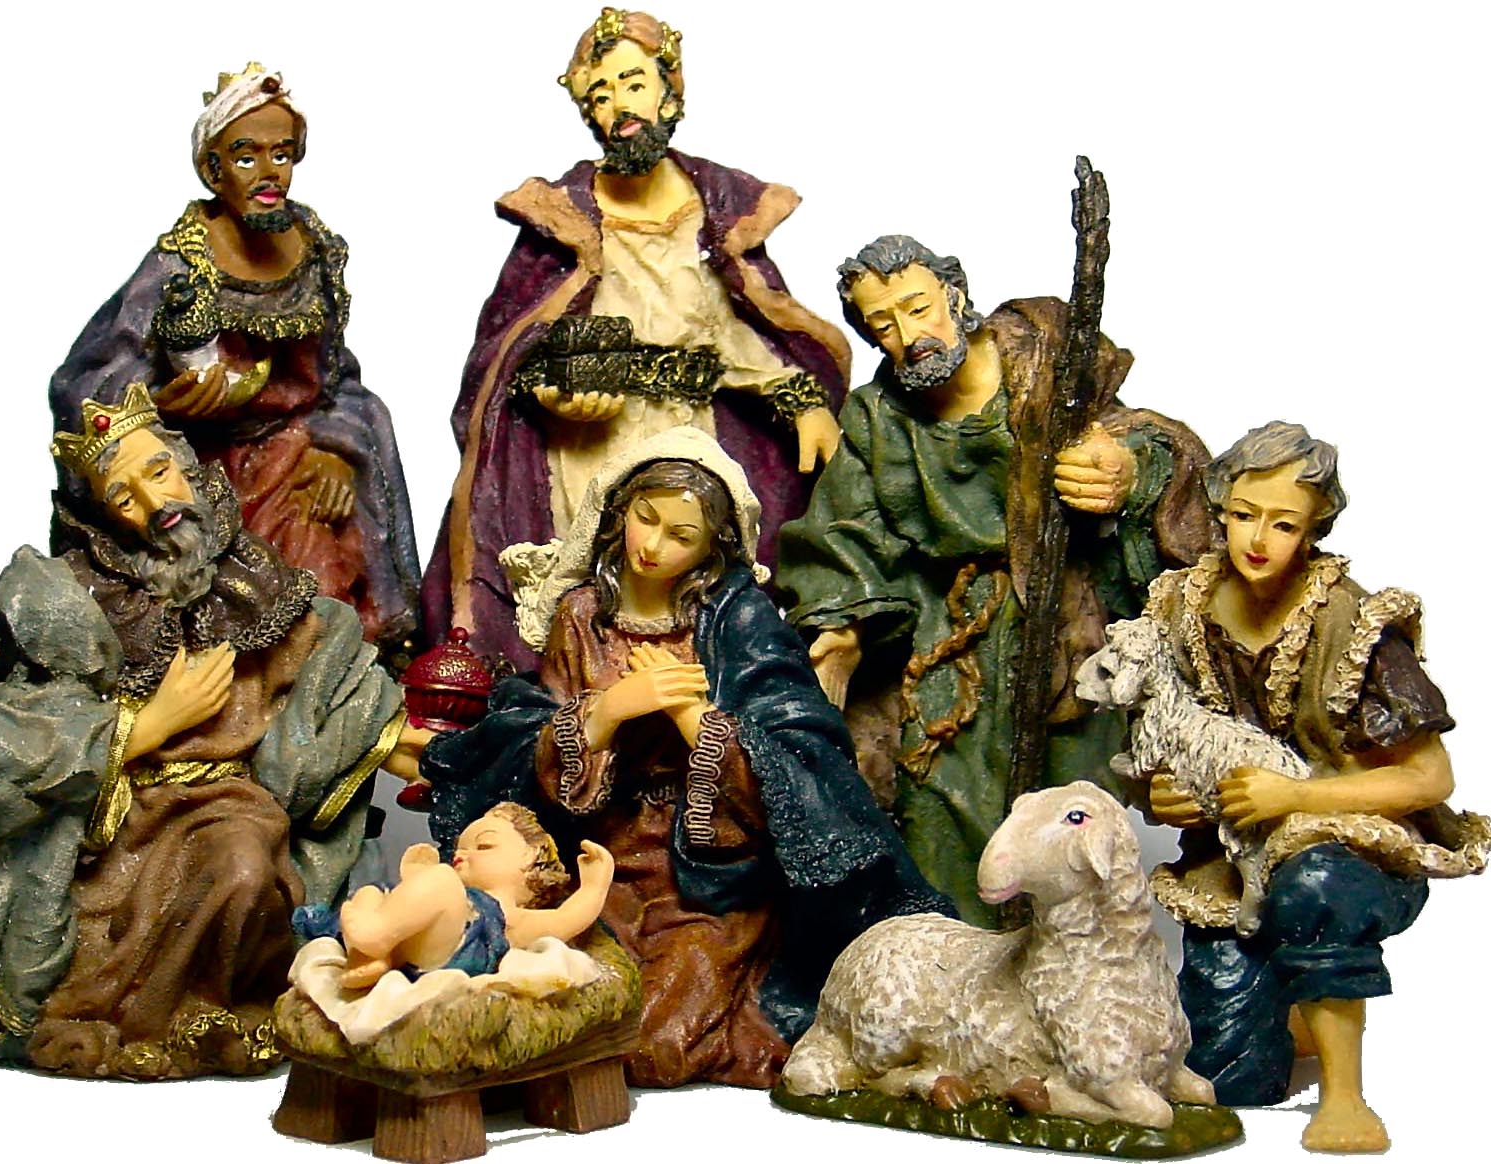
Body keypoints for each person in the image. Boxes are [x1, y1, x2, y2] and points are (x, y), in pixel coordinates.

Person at [422, 426, 951, 1089]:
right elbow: (530, 739)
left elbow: (801, 751)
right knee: (562, 994)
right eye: (645, 519)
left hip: (710, 876)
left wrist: (691, 717)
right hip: (602, 858)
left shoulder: (739, 621)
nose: (652, 546)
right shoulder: (581, 616)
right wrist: (608, 711)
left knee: (652, 1041)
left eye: (681, 535)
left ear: (711, 546)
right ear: (619, 511)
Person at [0, 385, 432, 1079]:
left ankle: (211, 1009)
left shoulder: (254, 581)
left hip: (232, 802)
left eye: (158, 472)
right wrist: (142, 726)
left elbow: (322, 673)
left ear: (187, 467)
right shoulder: (77, 599)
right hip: (121, 812)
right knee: (128, 901)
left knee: (242, 866)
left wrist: (386, 737)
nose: (154, 503)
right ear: (101, 517)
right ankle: (130, 1016)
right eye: (123, 497)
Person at [776, 234, 1213, 927]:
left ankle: (1075, 971)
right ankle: (956, 968)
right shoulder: (877, 416)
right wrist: (844, 629)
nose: (908, 335)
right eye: (882, 323)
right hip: (948, 642)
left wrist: (1125, 471)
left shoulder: (1046, 364)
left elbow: (1149, 444)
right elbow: (845, 530)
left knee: (1069, 814)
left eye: (917, 307)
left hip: (1066, 631)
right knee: (937, 804)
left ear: (954, 295)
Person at [421, 8, 851, 670]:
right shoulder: (563, 217)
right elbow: (508, 349)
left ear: (668, 92)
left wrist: (800, 398)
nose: (619, 105)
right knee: (594, 588)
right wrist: (552, 392)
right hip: (590, 447)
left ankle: (691, 704)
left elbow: (741, 329)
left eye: (633, 83)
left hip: (690, 434)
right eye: (600, 93)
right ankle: (580, 707)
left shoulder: (718, 211)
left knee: (687, 581)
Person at [1143, 421, 1484, 1153]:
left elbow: (1430, 776)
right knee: (1225, 1078)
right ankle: (1289, 1011)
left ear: (1314, 527)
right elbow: (1154, 735)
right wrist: (1163, 794)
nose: (1257, 538)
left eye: (1283, 523)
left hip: (1353, 850)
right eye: (1243, 514)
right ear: (1219, 507)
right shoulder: (1181, 609)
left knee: (1316, 887)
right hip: (1232, 862)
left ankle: (1344, 1097)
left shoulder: (1353, 623)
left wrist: (1295, 798)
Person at [49, 63, 418, 658]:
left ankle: (348, 691)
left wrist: (336, 451)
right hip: (201, 468)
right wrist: (159, 407)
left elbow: (335, 380)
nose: (269, 174)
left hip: (296, 458)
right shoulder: (181, 263)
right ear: (213, 169)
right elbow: (89, 379)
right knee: (221, 611)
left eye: (282, 155)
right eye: (246, 158)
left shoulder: (314, 248)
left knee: (326, 596)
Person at [294, 802, 615, 987]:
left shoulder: (510, 915)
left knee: (442, 880)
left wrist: (594, 887)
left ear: (529, 857)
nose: (461, 854)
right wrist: (414, 879)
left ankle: (375, 936)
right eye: (459, 848)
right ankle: (369, 957)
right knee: (370, 891)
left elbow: (566, 918)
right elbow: (422, 905)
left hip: (457, 952)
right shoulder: (453, 888)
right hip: (412, 944)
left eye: (484, 845)